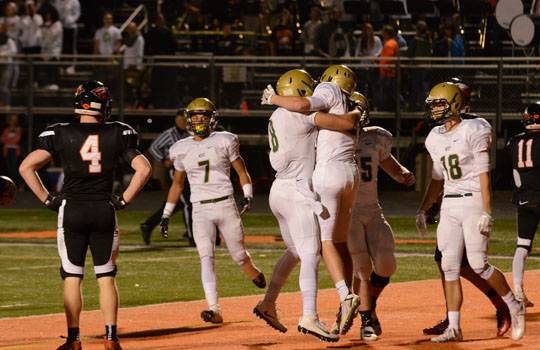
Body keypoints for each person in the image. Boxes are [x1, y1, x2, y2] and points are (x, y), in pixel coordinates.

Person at [18, 80, 152, 350]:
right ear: (102, 104)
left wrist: (47, 198)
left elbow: (25, 167)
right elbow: (144, 169)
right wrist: (124, 198)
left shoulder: (59, 133)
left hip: (72, 210)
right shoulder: (119, 132)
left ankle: (74, 339)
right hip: (104, 208)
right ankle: (112, 338)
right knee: (106, 276)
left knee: (72, 276)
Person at [253, 69, 362, 342]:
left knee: (295, 251)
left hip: (278, 190)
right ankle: (310, 317)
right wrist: (356, 111)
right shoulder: (301, 114)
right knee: (312, 252)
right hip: (297, 189)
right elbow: (344, 124)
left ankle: (267, 303)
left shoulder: (276, 116)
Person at [415, 82, 526, 342]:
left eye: (441, 104)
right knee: (449, 266)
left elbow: (484, 174)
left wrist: (487, 210)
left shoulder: (474, 128)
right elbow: (437, 180)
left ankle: (514, 305)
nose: (436, 110)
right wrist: (423, 209)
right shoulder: (434, 137)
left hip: (473, 199)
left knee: (478, 264)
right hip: (450, 203)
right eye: (434, 105)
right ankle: (454, 327)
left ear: (455, 104)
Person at [159, 97, 266, 324]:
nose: (199, 120)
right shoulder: (180, 148)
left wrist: (247, 194)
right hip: (200, 209)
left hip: (225, 203)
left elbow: (241, 170)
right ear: (189, 119)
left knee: (239, 256)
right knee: (206, 257)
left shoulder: (225, 140)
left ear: (212, 118)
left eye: (203, 116)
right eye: (195, 116)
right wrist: (166, 214)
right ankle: (214, 308)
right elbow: (177, 185)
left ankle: (253, 272)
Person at [346, 92, 415, 341]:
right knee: (361, 267)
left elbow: (391, 166)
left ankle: (367, 305)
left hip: (372, 209)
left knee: (387, 264)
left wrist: (404, 174)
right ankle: (365, 318)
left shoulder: (377, 136)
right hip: (348, 212)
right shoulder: (331, 139)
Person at [140, 109, 194, 246]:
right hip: (176, 171)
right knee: (188, 203)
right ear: (176, 119)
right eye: (181, 118)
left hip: (191, 172)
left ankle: (149, 224)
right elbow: (154, 148)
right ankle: (193, 237)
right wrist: (164, 159)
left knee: (178, 203)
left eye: (185, 119)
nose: (183, 121)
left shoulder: (191, 133)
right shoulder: (170, 134)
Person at [508, 102, 540, 308]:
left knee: (522, 245)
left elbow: (515, 174)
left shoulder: (514, 141)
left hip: (525, 197)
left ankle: (518, 291)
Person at [377, 25, 399, 112]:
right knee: (390, 93)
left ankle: (385, 110)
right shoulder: (392, 43)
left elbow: (388, 60)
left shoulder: (389, 44)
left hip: (387, 74)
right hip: (388, 72)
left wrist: (383, 72)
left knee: (386, 94)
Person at [1, 114, 22, 186]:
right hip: (7, 150)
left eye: (14, 120)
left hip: (14, 151)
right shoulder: (6, 130)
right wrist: (10, 139)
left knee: (14, 168)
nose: (12, 122)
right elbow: (2, 140)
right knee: (8, 168)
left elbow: (17, 140)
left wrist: (8, 139)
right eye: (11, 120)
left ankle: (16, 184)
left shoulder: (18, 130)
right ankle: (9, 184)